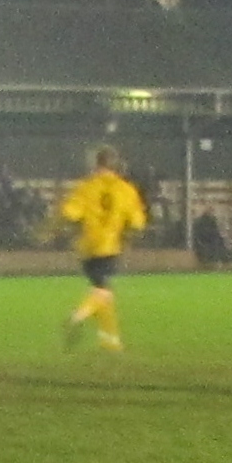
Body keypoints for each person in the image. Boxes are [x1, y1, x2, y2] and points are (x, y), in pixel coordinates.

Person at [55, 144, 149, 352]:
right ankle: (78, 316)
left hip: (87, 247)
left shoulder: (86, 187)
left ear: (96, 163)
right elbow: (137, 223)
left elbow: (69, 214)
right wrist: (128, 237)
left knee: (103, 289)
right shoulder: (126, 189)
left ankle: (110, 340)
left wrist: (60, 229)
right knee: (102, 292)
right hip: (110, 246)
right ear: (116, 164)